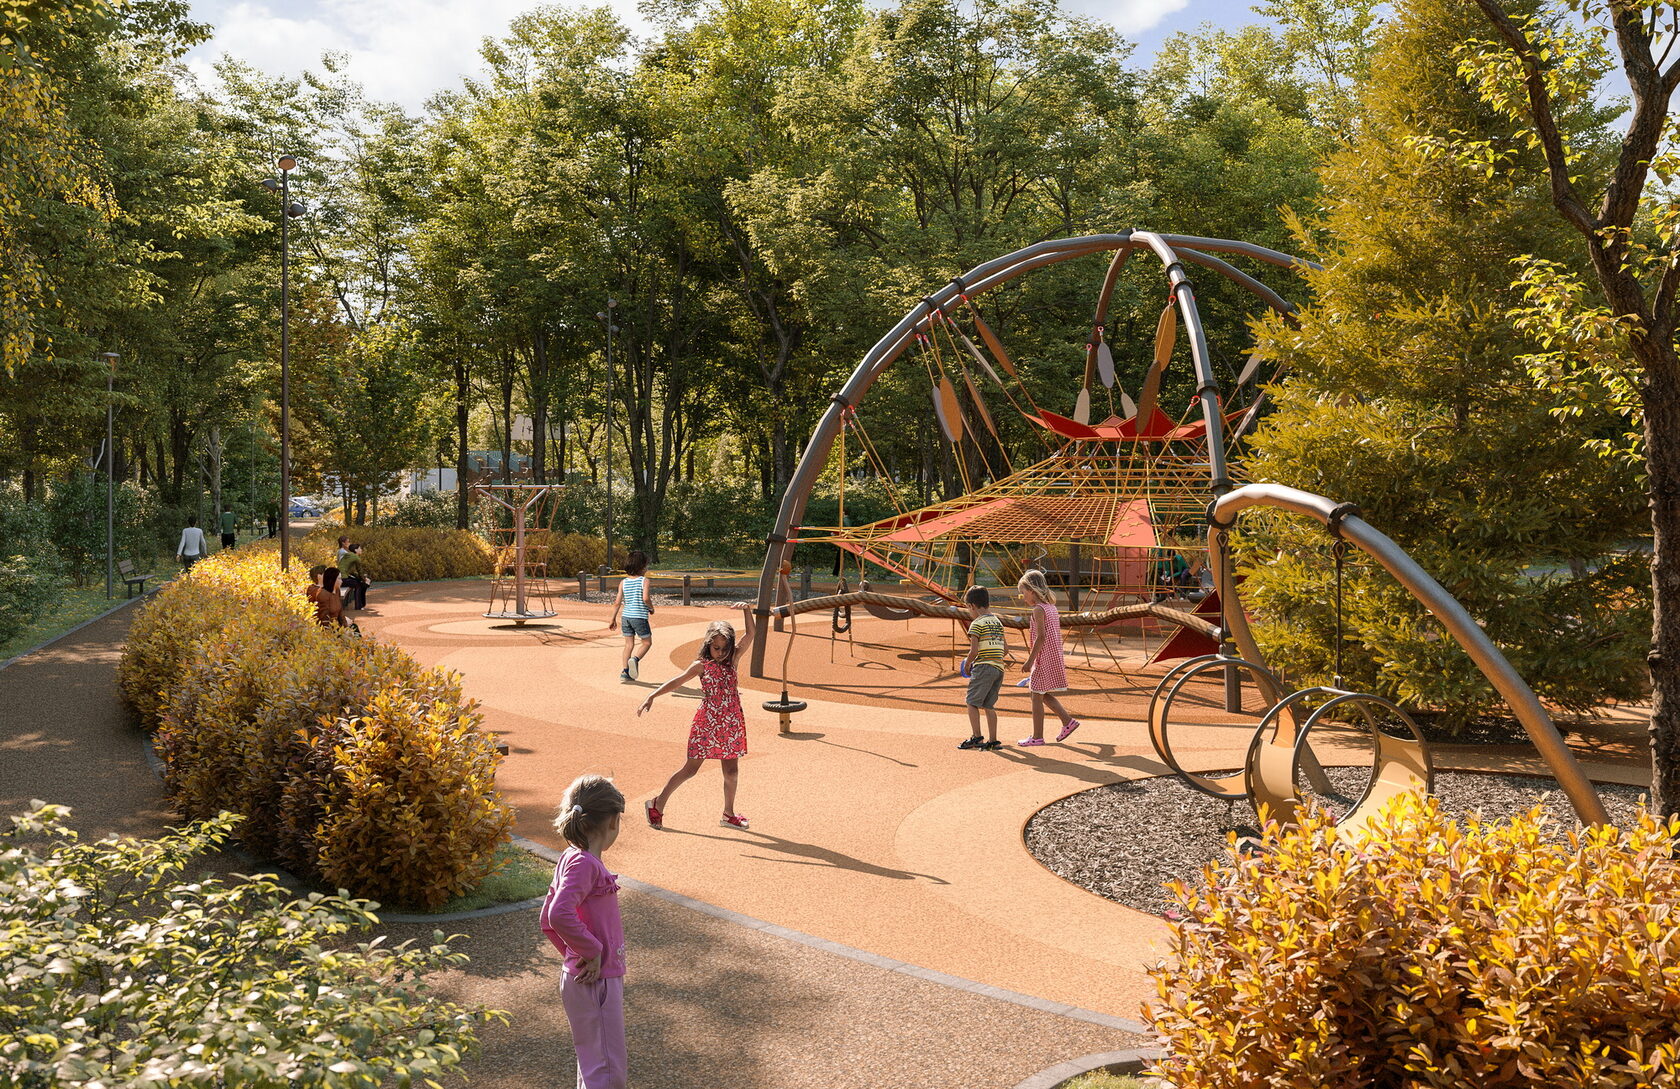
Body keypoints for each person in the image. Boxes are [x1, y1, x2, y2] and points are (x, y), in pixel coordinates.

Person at [541, 774, 628, 1089]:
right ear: (613, 821)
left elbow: (547, 919)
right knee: (608, 1070)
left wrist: (574, 954)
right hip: (598, 980)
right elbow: (557, 914)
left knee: (594, 1062)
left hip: (584, 977)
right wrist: (591, 952)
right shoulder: (586, 864)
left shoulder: (571, 858)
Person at [638, 602, 755, 830]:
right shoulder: (701, 666)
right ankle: (657, 804)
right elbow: (676, 681)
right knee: (690, 769)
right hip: (707, 723)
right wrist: (652, 695)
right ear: (708, 645)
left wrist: (746, 610)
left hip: (730, 724)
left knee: (731, 772)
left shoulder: (733, 659)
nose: (720, 653)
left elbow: (750, 634)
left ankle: (728, 814)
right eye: (716, 648)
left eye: (725, 648)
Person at [1017, 569, 1080, 745]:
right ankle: (1067, 721)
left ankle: (1037, 737)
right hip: (1053, 655)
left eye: (1023, 593)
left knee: (1035, 694)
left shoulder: (1038, 609)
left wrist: (1030, 661)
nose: (1023, 597)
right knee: (1040, 693)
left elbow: (1041, 637)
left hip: (1043, 657)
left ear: (1032, 591)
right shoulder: (1051, 607)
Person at [958, 585, 1006, 751]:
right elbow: (1005, 649)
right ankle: (993, 740)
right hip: (998, 668)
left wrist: (968, 664)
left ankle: (976, 736)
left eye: (968, 608)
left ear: (972, 606)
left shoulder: (977, 623)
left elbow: (974, 651)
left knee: (971, 702)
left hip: (983, 666)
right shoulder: (997, 622)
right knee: (989, 705)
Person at [608, 550, 652, 682]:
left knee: (628, 645)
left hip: (626, 617)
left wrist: (612, 619)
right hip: (639, 617)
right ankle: (635, 659)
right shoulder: (644, 581)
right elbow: (646, 599)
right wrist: (651, 608)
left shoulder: (623, 582)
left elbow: (617, 602)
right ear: (642, 567)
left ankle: (625, 672)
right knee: (646, 643)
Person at [339, 542, 370, 610]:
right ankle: (358, 606)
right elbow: (360, 571)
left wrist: (362, 578)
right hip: (344, 579)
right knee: (358, 585)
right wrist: (364, 579)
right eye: (360, 548)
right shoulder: (356, 557)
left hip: (339, 578)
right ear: (355, 550)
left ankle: (361, 604)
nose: (361, 550)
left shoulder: (347, 556)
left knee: (359, 582)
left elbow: (352, 572)